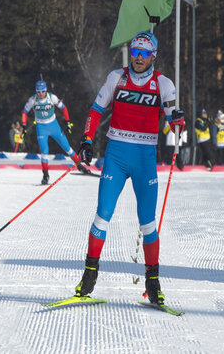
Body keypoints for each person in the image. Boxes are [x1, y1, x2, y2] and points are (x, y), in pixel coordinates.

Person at [74, 31, 182, 305]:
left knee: (147, 222)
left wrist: (178, 123)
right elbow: (96, 109)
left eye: (144, 53)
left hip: (145, 157)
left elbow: (172, 118)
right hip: (117, 154)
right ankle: (89, 276)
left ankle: (153, 283)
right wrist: (87, 140)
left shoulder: (164, 84)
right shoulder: (116, 78)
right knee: (102, 215)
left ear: (153, 56)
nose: (138, 58)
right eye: (135, 52)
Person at [22, 80, 88, 185]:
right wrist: (24, 125)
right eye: (38, 91)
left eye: (42, 91)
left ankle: (80, 166)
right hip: (41, 128)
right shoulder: (32, 100)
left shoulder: (52, 97)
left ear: (46, 90)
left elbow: (64, 108)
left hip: (54, 126)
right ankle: (45, 175)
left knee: (67, 147)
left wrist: (67, 122)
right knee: (44, 151)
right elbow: (25, 112)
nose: (40, 94)